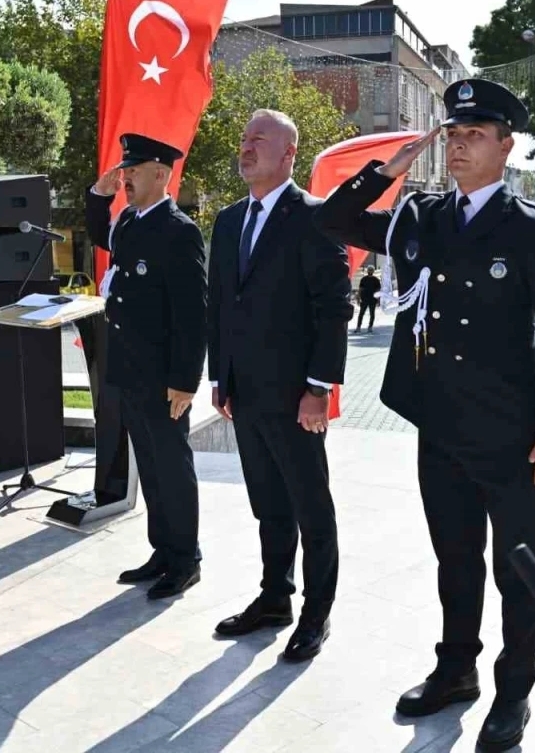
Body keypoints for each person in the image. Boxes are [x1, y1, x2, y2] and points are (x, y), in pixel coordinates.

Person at [315, 78, 535, 752]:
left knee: (517, 569)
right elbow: (335, 221)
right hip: (439, 424)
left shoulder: (530, 227)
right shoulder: (422, 215)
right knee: (455, 558)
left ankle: (514, 691)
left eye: (475, 135)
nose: (460, 145)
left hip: (510, 432)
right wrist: (388, 170)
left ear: (506, 146)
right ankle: (456, 669)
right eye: (454, 134)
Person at [207, 109, 352, 662]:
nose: (246, 148)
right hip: (244, 392)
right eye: (244, 139)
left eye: (259, 140)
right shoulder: (228, 221)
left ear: (289, 153)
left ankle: (317, 612)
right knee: (268, 503)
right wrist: (220, 376)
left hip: (296, 397)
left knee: (311, 507)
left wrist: (318, 388)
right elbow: (220, 305)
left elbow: (334, 308)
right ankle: (274, 597)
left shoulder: (315, 217)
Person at [86, 133, 207, 600]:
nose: (126, 179)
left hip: (162, 377)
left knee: (172, 467)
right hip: (130, 369)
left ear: (161, 173)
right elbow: (101, 234)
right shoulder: (130, 222)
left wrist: (184, 381)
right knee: (151, 468)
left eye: (133, 171)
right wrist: (99, 195)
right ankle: (163, 549)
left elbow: (192, 314)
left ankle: (186, 558)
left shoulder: (179, 231)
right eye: (125, 171)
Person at [355, 265, 380, 332]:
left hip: (373, 299)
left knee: (372, 314)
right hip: (364, 299)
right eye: (369, 269)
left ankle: (370, 327)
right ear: (367, 271)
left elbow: (378, 291)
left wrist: (378, 300)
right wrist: (358, 298)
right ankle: (358, 327)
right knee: (361, 313)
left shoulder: (376, 280)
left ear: (373, 271)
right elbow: (360, 289)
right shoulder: (364, 279)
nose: (370, 271)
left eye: (371, 270)